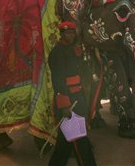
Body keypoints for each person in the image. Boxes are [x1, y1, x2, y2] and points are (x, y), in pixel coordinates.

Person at [48, 21, 97, 166]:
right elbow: (57, 80)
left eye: (72, 32)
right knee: (79, 141)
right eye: (67, 32)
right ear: (61, 33)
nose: (70, 35)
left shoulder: (74, 50)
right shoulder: (57, 52)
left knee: (65, 144)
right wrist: (64, 104)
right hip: (68, 101)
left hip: (78, 98)